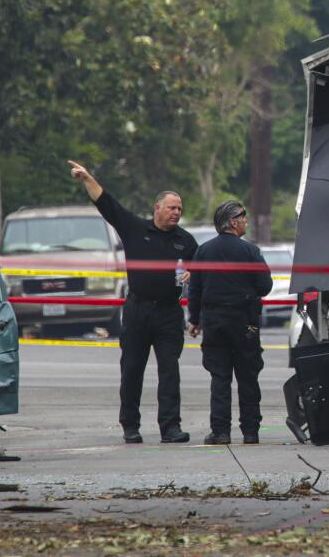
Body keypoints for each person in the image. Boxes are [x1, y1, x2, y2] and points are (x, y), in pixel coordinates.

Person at [68, 160, 198, 445]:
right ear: (157, 208)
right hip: (138, 310)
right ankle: (130, 425)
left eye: (179, 208)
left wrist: (193, 274)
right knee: (132, 371)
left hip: (168, 312)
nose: (177, 212)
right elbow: (107, 204)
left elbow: (198, 273)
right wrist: (88, 178)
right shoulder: (135, 228)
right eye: (172, 207)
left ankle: (171, 427)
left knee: (170, 372)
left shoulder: (186, 242)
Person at [187, 200, 273, 445]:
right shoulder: (250, 251)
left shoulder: (203, 251)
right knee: (248, 376)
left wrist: (194, 320)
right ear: (233, 222)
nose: (246, 220)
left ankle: (221, 431)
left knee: (220, 377)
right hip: (245, 322)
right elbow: (265, 286)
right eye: (243, 216)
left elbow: (195, 289)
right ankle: (250, 432)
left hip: (214, 323)